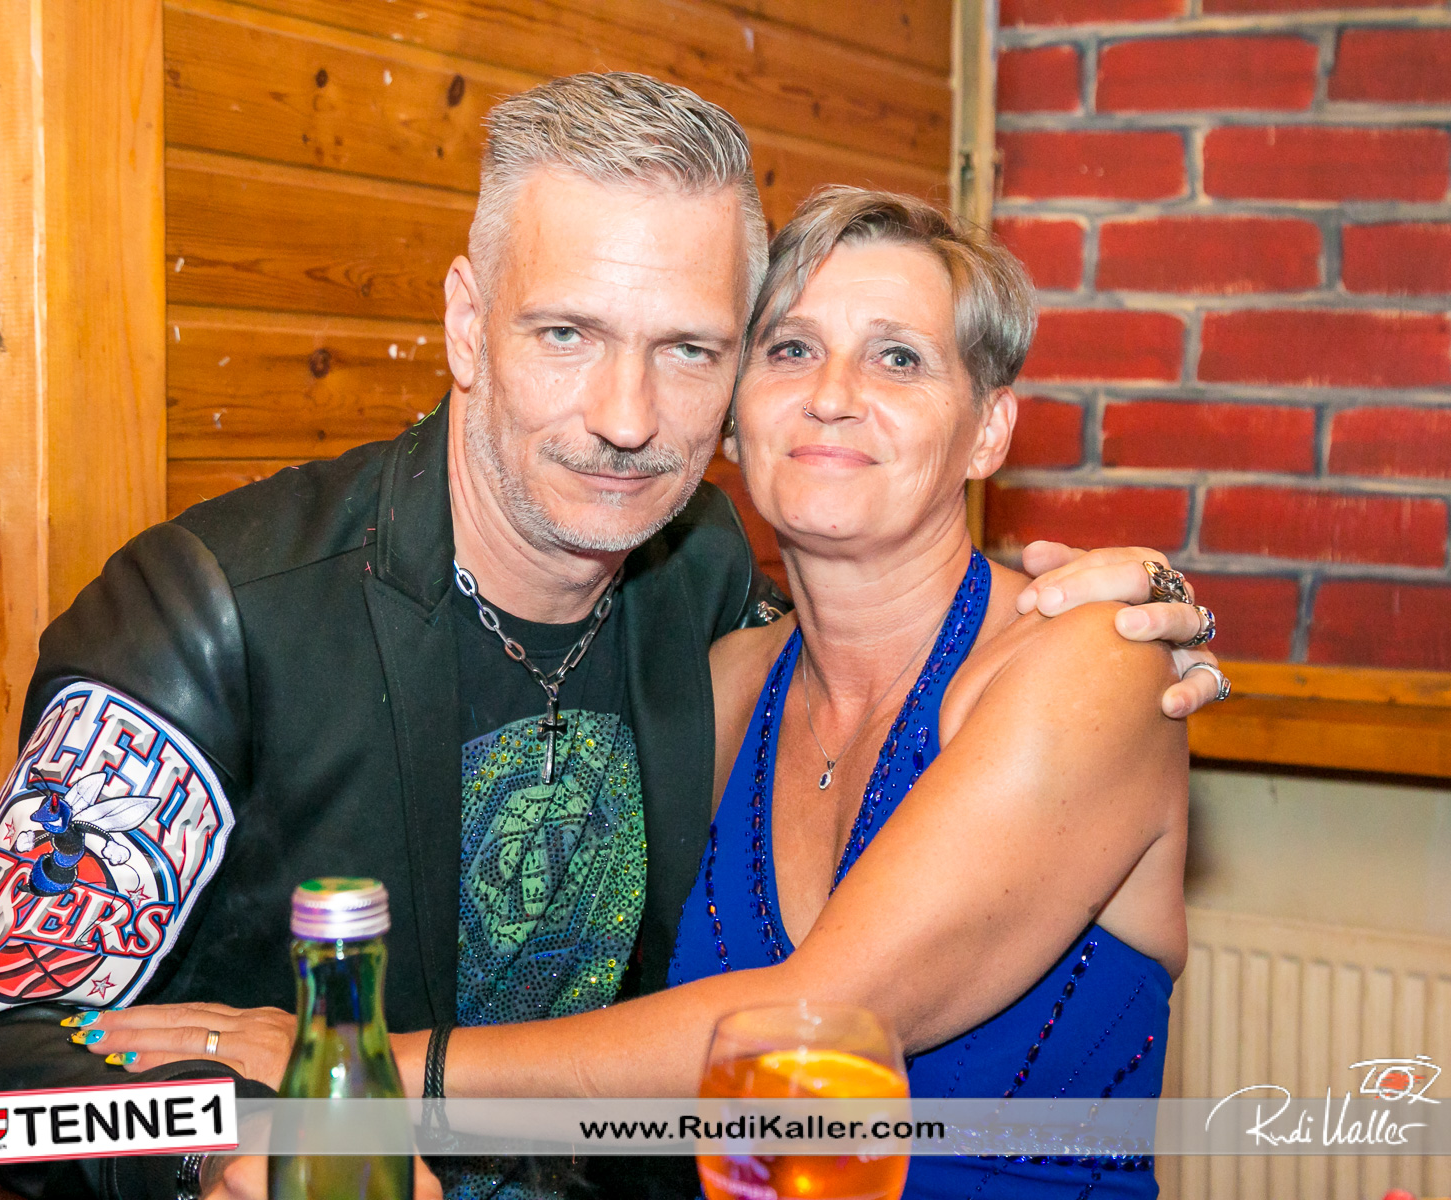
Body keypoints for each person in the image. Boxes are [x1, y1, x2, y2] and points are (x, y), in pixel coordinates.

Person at [0, 74, 1225, 1200]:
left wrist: (1145, 601)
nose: (626, 415)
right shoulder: (213, 614)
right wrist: (213, 1156)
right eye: (568, 334)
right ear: (466, 324)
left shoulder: (697, 594)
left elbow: (842, 950)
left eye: (688, 350)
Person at [343, 187, 1191, 1200]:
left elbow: (819, 1026)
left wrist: (351, 1073)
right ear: (733, 418)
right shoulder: (722, 688)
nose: (832, 394)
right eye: (790, 349)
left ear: (988, 431)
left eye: (898, 358)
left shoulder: (1093, 658)